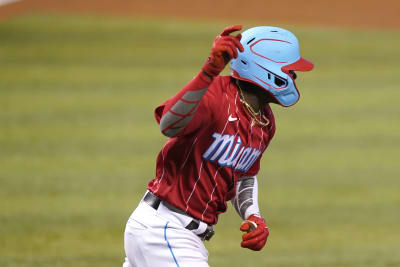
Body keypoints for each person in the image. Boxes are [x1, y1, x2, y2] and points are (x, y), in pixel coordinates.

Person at [122, 24, 314, 267]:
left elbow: (243, 175)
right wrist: (208, 72)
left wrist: (253, 215)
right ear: (267, 69)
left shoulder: (265, 122)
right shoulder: (215, 96)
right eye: (291, 71)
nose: (294, 77)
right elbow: (169, 126)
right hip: (164, 229)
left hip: (178, 235)